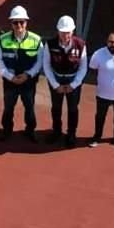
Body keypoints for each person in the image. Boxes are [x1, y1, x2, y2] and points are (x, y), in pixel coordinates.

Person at [0, 5, 43, 142]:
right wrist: (10, 77)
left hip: (28, 81)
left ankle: (30, 130)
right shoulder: (2, 40)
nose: (19, 25)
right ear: (11, 24)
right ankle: (7, 129)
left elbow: (39, 62)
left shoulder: (36, 40)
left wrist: (28, 75)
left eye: (22, 22)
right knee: (8, 107)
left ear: (26, 22)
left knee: (29, 107)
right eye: (15, 22)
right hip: (10, 81)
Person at [42, 15, 87, 148]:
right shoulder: (50, 44)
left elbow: (83, 67)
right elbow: (46, 66)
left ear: (72, 31)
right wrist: (55, 85)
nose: (65, 35)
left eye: (67, 32)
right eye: (62, 32)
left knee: (73, 109)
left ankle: (71, 134)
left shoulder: (80, 45)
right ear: (58, 31)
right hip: (56, 80)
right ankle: (56, 132)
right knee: (56, 108)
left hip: (74, 81)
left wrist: (74, 84)